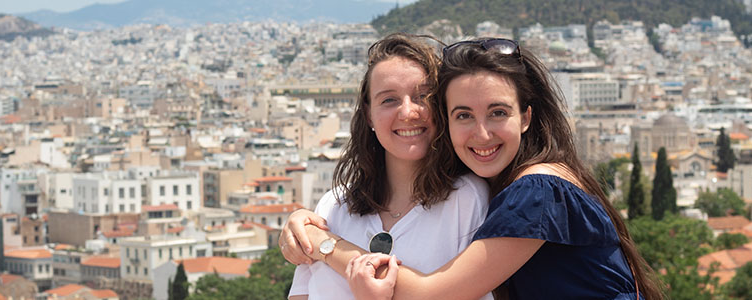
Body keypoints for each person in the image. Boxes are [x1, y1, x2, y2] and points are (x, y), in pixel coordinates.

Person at [280, 38, 663, 300]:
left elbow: (435, 293)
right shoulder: (514, 189)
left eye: (498, 112)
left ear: (527, 116)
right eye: (464, 115)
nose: (481, 134)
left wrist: (325, 246)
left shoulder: (534, 191)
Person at [285, 33, 492, 300]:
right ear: (369, 115)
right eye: (389, 100)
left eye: (423, 97)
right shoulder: (333, 206)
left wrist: (326, 247)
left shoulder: (468, 201)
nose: (407, 112)